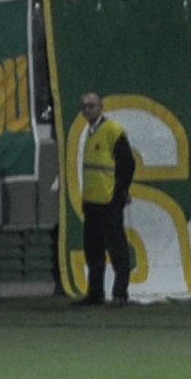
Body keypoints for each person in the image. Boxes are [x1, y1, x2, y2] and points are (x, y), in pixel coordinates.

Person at [71, 94, 136, 304]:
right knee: (93, 250)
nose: (87, 110)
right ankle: (96, 292)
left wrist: (120, 192)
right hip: (92, 201)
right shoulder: (90, 133)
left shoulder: (112, 131)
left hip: (109, 200)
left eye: (91, 106)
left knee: (117, 247)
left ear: (101, 107)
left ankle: (120, 293)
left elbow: (128, 163)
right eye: (83, 107)